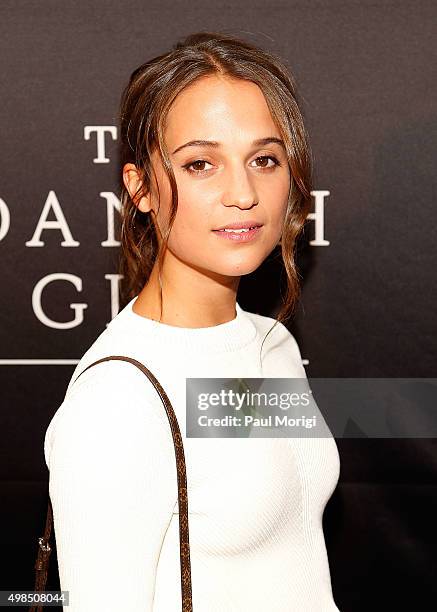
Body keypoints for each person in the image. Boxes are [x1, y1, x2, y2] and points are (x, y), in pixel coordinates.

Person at [44, 31, 341, 611]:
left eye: (264, 159)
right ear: (141, 189)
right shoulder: (119, 399)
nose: (244, 193)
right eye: (201, 163)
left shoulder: (270, 343)